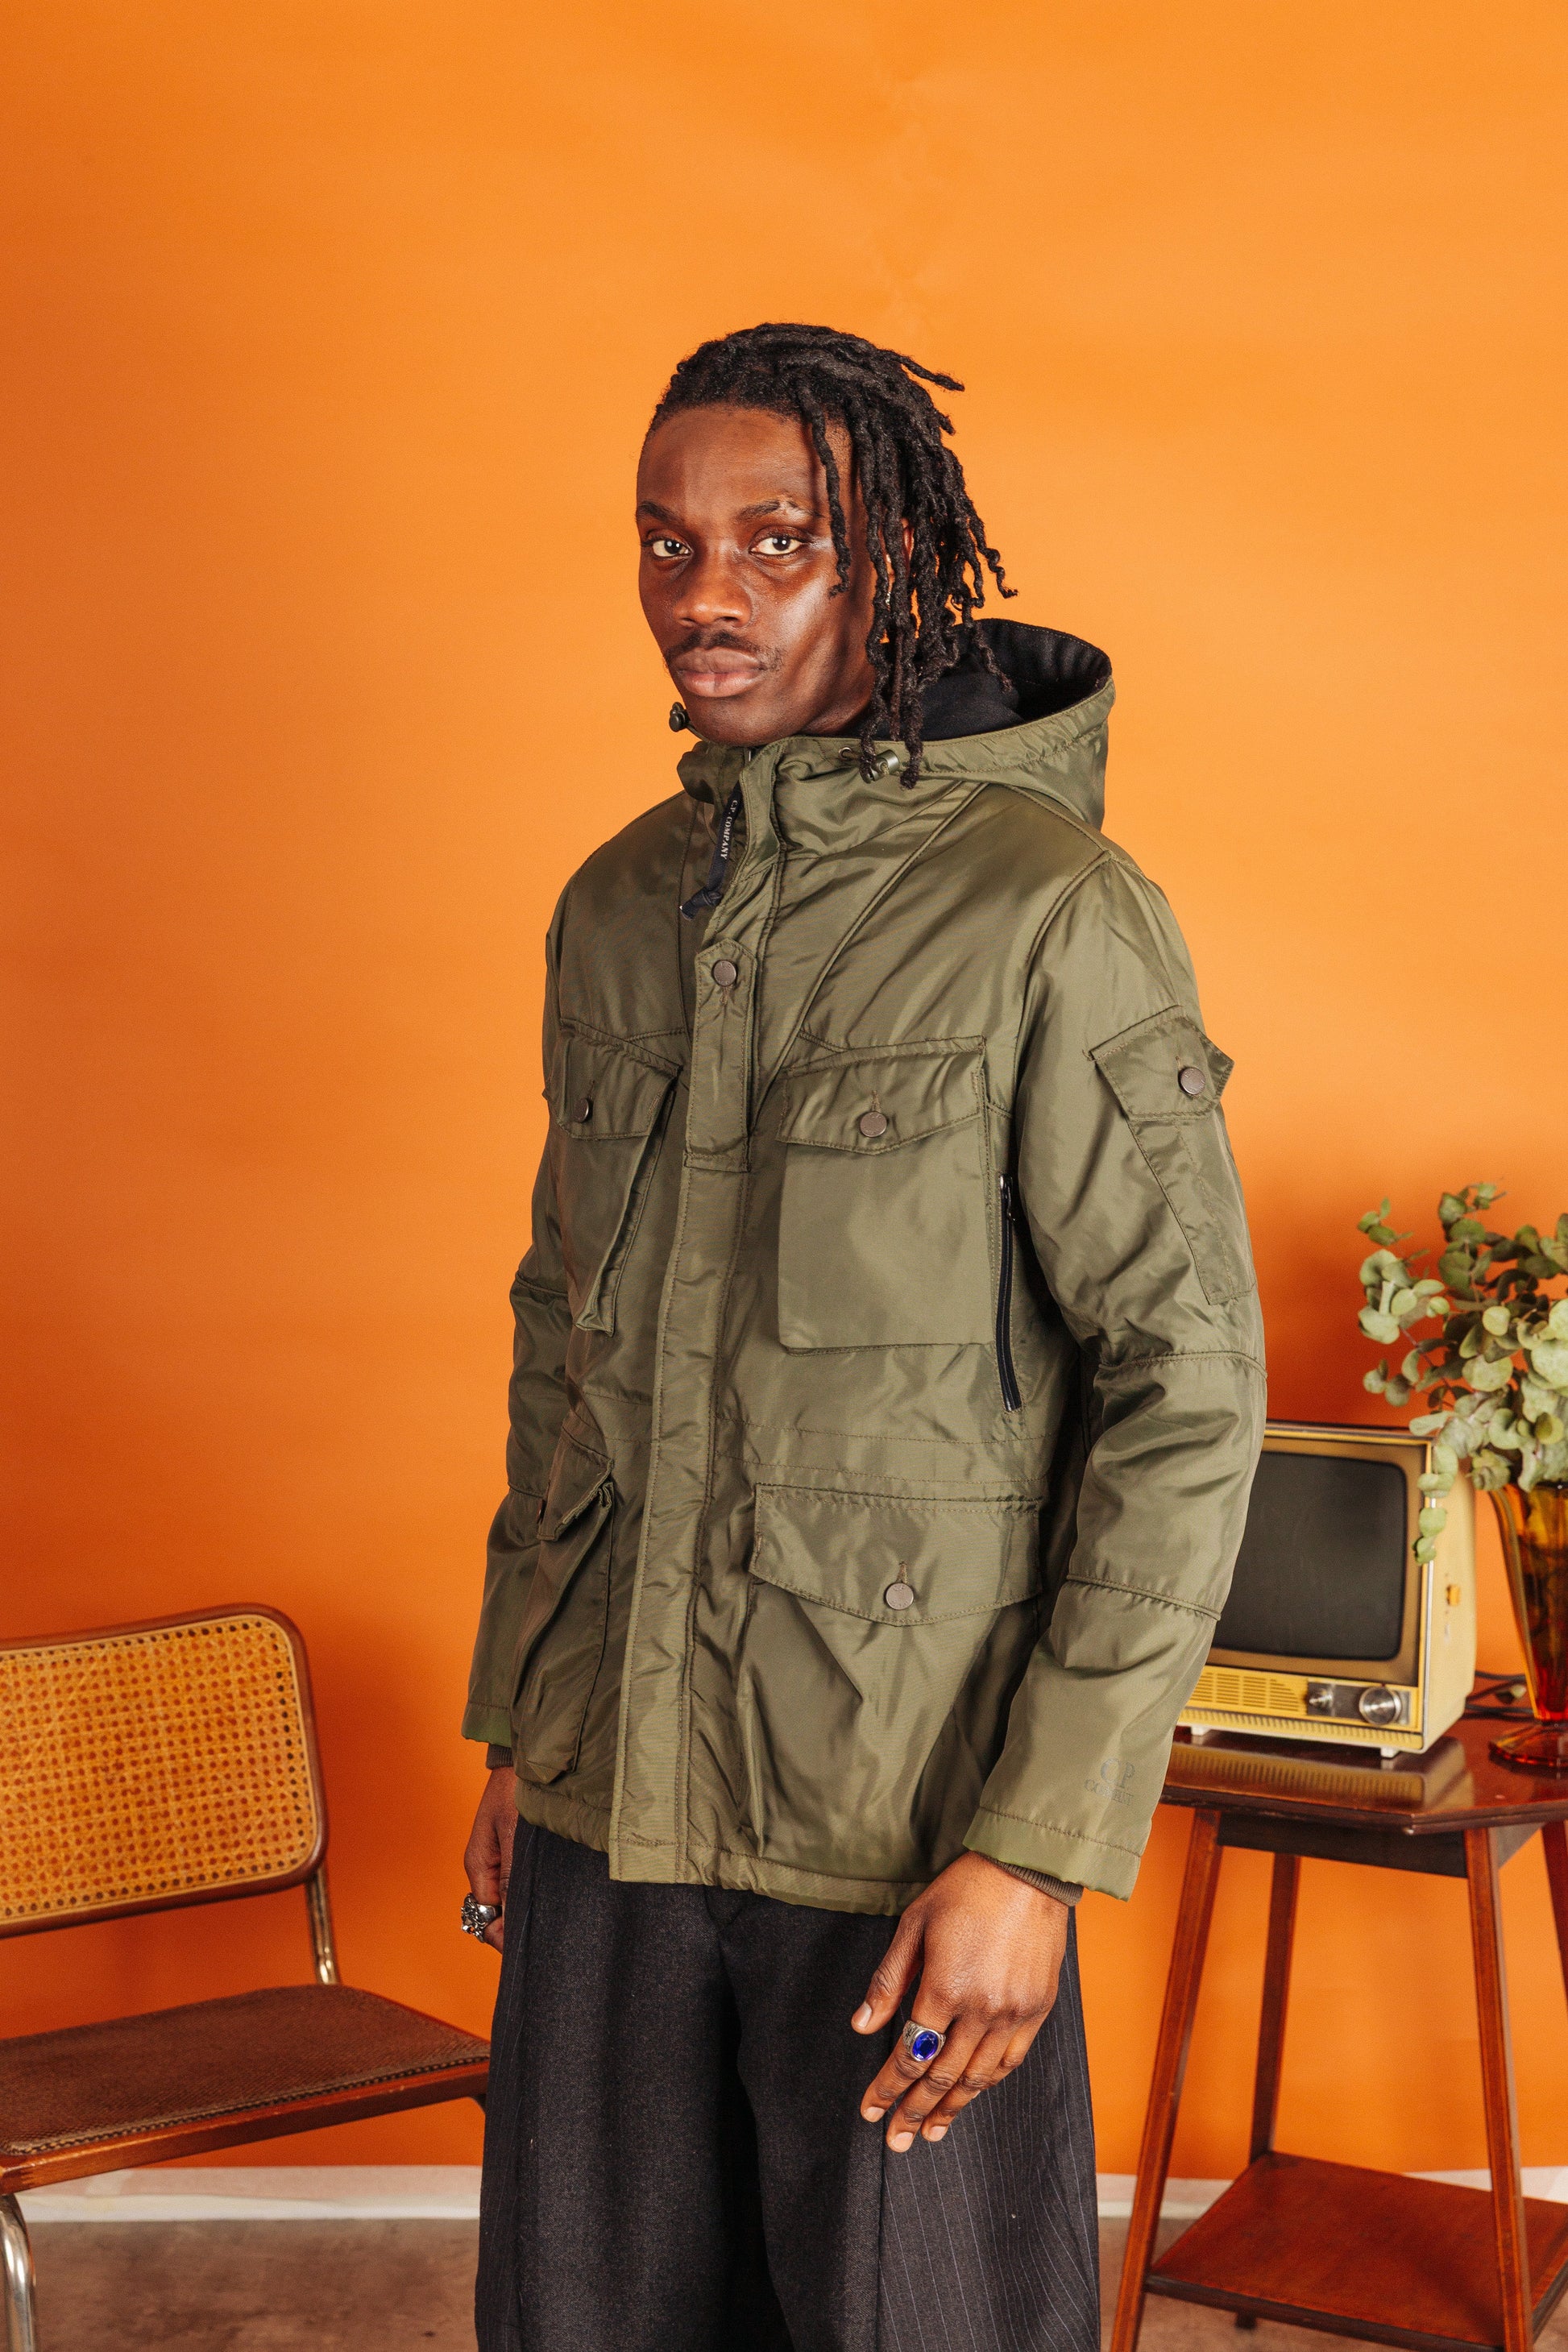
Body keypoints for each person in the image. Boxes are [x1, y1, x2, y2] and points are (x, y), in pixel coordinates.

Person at [460, 322, 1264, 2352]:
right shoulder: (615, 905)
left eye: (775, 539)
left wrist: (1037, 1850)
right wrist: (525, 1726)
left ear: (893, 555)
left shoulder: (1051, 912)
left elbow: (1183, 1392)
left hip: (907, 1826)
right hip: (607, 1801)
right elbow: (567, 1337)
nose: (703, 592)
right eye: (665, 540)